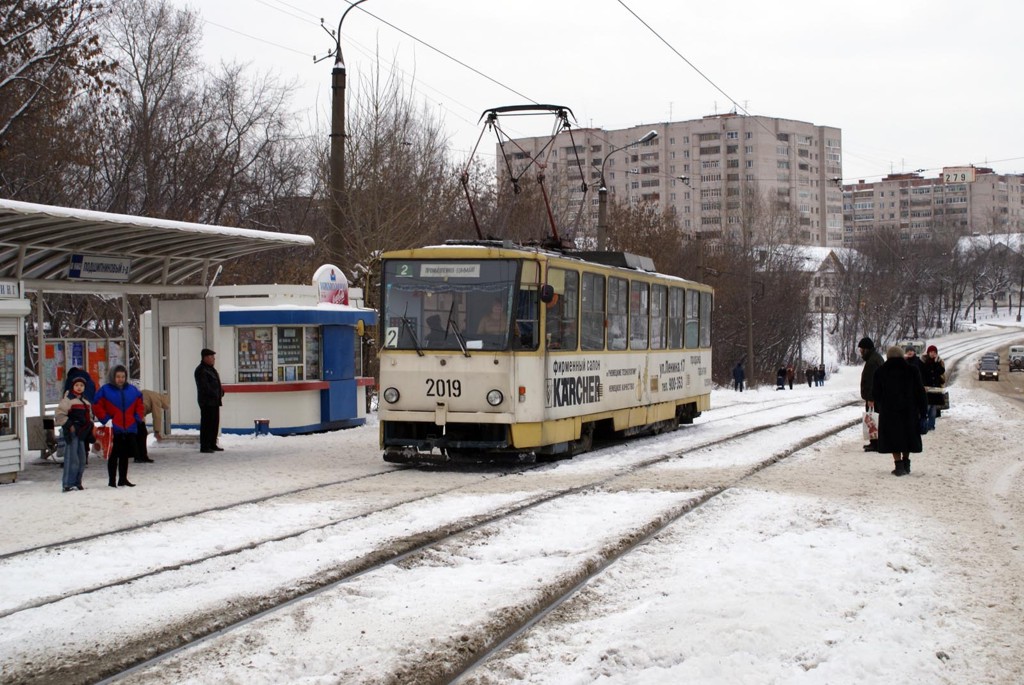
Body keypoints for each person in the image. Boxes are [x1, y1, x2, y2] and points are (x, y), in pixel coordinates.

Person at [873, 345, 928, 476]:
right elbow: (920, 392)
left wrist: (880, 407)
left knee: (893, 438)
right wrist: (923, 410)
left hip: (889, 411)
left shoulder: (880, 371)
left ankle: (898, 465)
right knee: (907, 436)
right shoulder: (912, 370)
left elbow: (876, 393)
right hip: (909, 410)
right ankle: (906, 462)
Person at [92, 365, 144, 488]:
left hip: (129, 428)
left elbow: (140, 404)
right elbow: (97, 406)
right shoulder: (105, 390)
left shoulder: (133, 390)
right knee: (113, 455)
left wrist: (137, 418)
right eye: (118, 377)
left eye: (123, 376)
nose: (121, 379)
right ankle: (112, 480)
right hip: (113, 428)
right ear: (113, 377)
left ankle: (123, 479)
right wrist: (106, 420)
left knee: (125, 455)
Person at [55, 377, 93, 492]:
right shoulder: (68, 400)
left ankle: (77, 481)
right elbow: (59, 415)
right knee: (72, 459)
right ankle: (67, 483)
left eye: (81, 385)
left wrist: (89, 427)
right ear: (73, 387)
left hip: (82, 433)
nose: (79, 387)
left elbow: (90, 417)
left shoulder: (86, 402)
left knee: (81, 459)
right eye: (77, 385)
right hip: (72, 434)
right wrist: (70, 426)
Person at [195, 348, 224, 453]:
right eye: (211, 357)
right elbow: (205, 387)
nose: (213, 359)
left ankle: (212, 443)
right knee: (207, 423)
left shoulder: (211, 369)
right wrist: (215, 393)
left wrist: (220, 391)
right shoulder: (201, 370)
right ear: (205, 358)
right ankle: (205, 445)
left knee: (214, 423)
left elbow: (215, 383)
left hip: (215, 401)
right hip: (207, 402)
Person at [858, 337, 885, 452]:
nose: (860, 352)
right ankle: (875, 442)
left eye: (861, 349)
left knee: (872, 419)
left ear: (866, 349)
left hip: (874, 396)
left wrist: (870, 398)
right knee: (875, 418)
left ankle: (875, 443)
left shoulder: (872, 362)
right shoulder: (875, 358)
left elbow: (872, 381)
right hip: (878, 395)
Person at [136, 389, 170, 462]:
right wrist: (157, 431)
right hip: (137, 412)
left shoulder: (153, 394)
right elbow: (157, 416)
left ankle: (136, 455)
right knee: (142, 434)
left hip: (132, 410)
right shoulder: (157, 400)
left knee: (137, 434)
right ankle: (141, 456)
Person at [920, 344, 946, 431]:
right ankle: (924, 425)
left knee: (933, 410)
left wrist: (936, 362)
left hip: (936, 389)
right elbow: (923, 372)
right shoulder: (923, 361)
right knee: (926, 408)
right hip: (927, 389)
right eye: (931, 352)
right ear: (928, 352)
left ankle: (931, 426)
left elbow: (941, 371)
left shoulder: (939, 362)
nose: (932, 354)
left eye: (934, 352)